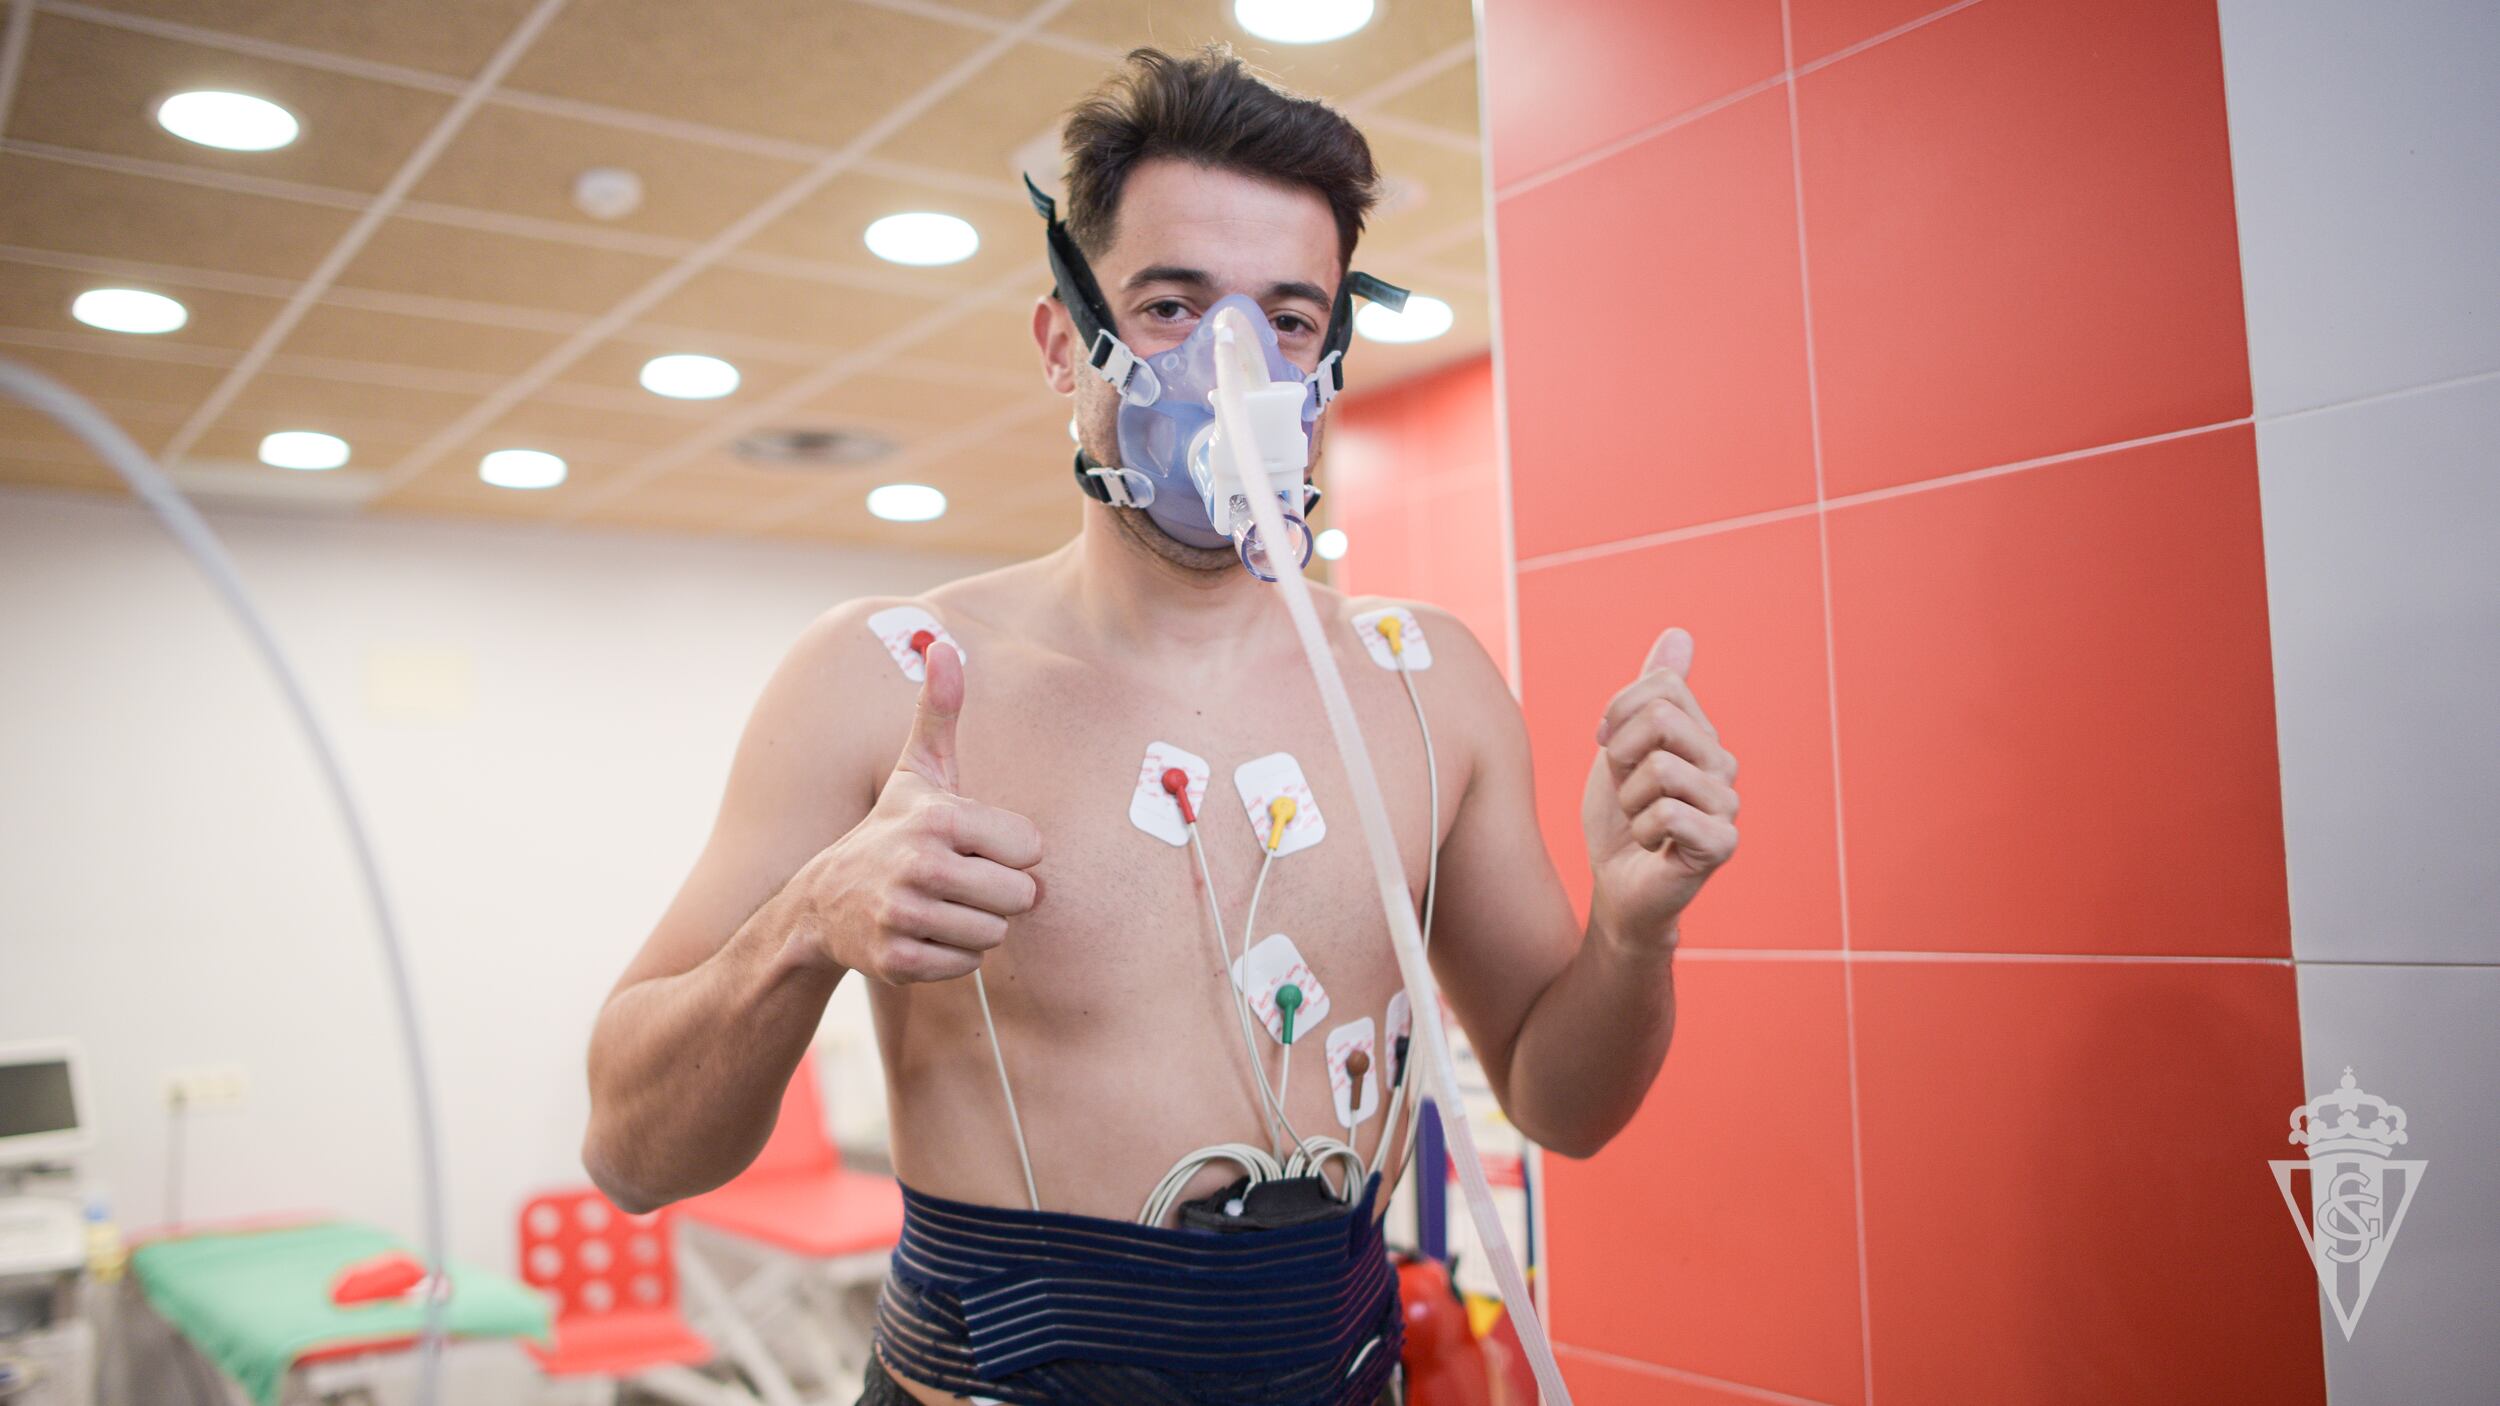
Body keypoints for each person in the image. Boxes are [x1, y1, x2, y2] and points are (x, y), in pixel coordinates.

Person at [582, 43, 1739, 1406]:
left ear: (1328, 364)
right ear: (1065, 336)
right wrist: (805, 927)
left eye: (1290, 320)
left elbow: (1566, 1103)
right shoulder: (886, 675)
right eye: (1174, 304)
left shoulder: (1429, 688)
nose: (1233, 365)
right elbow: (630, 1152)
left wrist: (1631, 928)